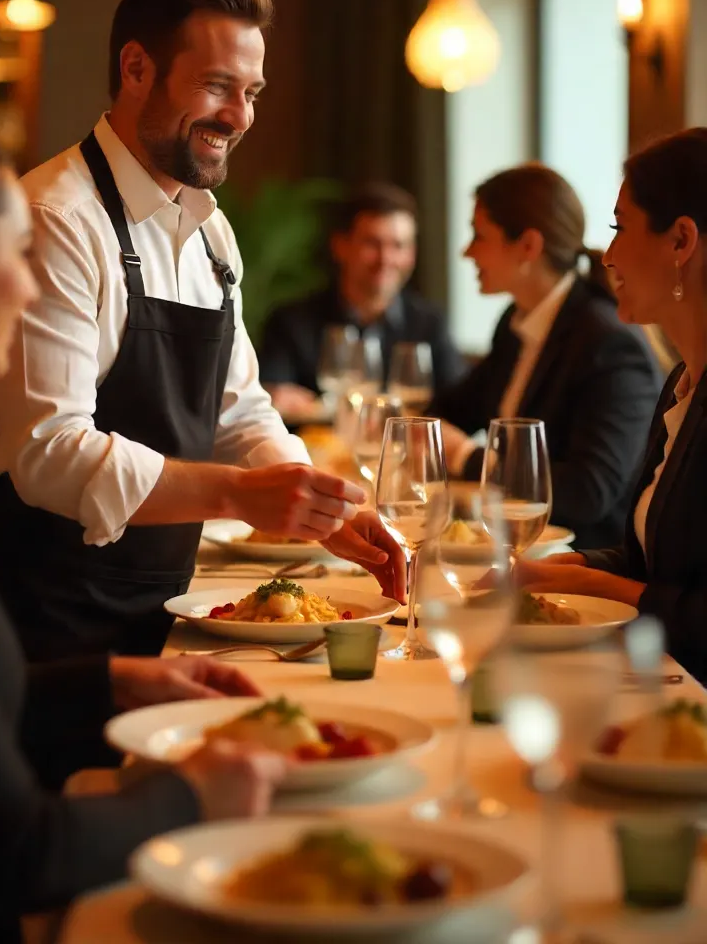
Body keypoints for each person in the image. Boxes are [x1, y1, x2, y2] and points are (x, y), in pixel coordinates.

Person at [0, 49, 287, 944]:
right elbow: (8, 850)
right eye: (13, 258)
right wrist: (193, 793)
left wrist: (112, 682)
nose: (29, 288)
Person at [0, 0, 404, 662]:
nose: (241, 115)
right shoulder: (56, 219)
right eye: (217, 85)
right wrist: (242, 496)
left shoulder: (211, 233)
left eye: (252, 91)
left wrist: (319, 503)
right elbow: (49, 454)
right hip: (39, 622)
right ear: (136, 68)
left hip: (164, 608)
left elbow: (237, 407)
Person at [516, 130, 707, 683]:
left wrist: (593, 587)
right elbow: (654, 563)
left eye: (620, 227)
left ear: (681, 241)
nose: (610, 256)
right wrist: (560, 569)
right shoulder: (681, 384)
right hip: (649, 680)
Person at [432, 163, 661, 552]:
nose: (467, 251)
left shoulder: (607, 342)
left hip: (581, 563)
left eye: (479, 235)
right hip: (513, 549)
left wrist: (467, 457)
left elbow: (589, 491)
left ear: (528, 246)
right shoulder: (517, 321)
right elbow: (453, 409)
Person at [258, 182, 464, 413]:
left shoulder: (429, 324)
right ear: (340, 246)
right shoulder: (291, 322)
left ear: (412, 253)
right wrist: (277, 396)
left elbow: (457, 406)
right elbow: (271, 399)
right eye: (372, 244)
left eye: (399, 245)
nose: (386, 259)